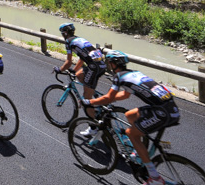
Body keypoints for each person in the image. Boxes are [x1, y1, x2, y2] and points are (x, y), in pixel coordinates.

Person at [81, 50, 180, 185]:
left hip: (162, 112)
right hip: (170, 108)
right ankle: (138, 150)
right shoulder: (134, 73)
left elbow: (109, 97)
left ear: (113, 64)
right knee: (130, 115)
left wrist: (90, 102)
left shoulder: (119, 77)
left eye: (109, 63)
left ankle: (154, 177)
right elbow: (124, 95)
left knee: (130, 133)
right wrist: (107, 100)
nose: (108, 66)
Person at [55, 22, 107, 133]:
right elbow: (82, 58)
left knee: (85, 100)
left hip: (94, 67)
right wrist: (74, 70)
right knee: (79, 75)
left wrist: (60, 69)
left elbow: (68, 62)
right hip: (100, 65)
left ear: (64, 33)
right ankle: (96, 100)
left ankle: (93, 127)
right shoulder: (79, 39)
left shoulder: (69, 42)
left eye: (62, 33)